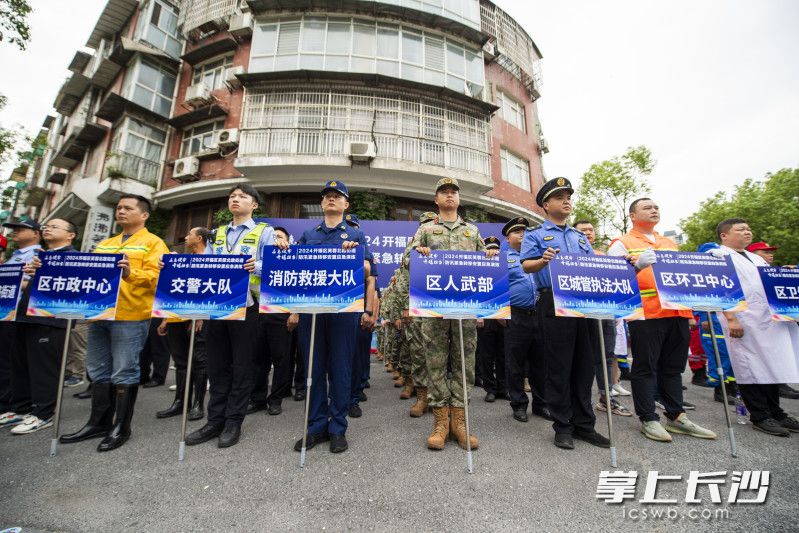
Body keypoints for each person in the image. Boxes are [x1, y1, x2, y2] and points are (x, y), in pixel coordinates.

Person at [41, 196, 170, 452]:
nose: (121, 211)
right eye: (119, 208)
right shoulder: (106, 244)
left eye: (127, 208)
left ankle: (121, 426)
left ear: (144, 215)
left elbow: (161, 278)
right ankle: (98, 422)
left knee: (124, 370)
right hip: (99, 315)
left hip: (130, 316)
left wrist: (131, 272)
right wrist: (44, 270)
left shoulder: (153, 243)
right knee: (98, 370)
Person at [185, 183, 288, 449]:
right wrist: (175, 266)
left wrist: (259, 265)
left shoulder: (264, 232)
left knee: (243, 367)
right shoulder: (217, 234)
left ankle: (233, 422)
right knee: (217, 367)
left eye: (242, 197)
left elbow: (277, 267)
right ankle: (214, 420)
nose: (235, 200)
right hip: (218, 307)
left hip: (248, 307)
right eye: (232, 196)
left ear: (254, 205)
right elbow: (204, 266)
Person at [607, 198, 716, 442]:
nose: (654, 210)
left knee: (674, 368)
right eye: (647, 207)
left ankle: (677, 416)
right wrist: (637, 267)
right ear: (633, 215)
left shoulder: (669, 243)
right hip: (647, 315)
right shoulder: (622, 243)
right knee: (645, 367)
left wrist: (689, 313)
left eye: (656, 207)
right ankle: (648, 419)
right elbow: (614, 280)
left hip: (677, 313)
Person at [521, 178, 610, 450]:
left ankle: (585, 425)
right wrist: (543, 260)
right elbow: (526, 266)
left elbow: (593, 266)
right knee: (559, 366)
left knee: (585, 366)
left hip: (583, 303)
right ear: (547, 205)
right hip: (553, 301)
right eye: (560, 197)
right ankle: (563, 426)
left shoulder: (579, 236)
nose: (566, 200)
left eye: (568, 196)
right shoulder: (535, 235)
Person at [411, 177, 496, 451]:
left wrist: (491, 259)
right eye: (444, 192)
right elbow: (407, 264)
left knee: (463, 362)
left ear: (459, 199)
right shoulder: (425, 230)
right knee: (435, 362)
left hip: (465, 310)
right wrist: (418, 254)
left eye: (453, 192)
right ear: (436, 200)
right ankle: (440, 423)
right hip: (434, 309)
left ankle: (460, 421)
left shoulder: (472, 231)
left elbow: (486, 269)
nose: (449, 196)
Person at [289, 180, 374, 454]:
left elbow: (367, 272)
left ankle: (338, 427)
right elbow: (294, 271)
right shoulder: (308, 235)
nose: (331, 199)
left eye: (337, 196)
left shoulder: (355, 236)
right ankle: (315, 427)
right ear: (322, 203)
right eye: (327, 196)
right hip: (311, 311)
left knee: (340, 369)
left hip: (343, 311)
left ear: (346, 204)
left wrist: (355, 258)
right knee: (313, 370)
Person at [711, 219, 799, 436]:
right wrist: (731, 318)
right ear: (724, 235)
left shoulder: (755, 258)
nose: (747, 232)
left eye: (748, 229)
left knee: (772, 364)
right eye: (740, 229)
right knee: (750, 366)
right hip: (744, 318)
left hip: (768, 319)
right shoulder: (719, 255)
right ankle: (760, 415)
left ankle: (776, 412)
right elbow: (721, 289)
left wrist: (782, 274)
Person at [573, 219, 632, 418]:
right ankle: (578, 402)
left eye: (591, 229)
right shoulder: (568, 256)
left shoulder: (604, 256)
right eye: (583, 230)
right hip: (579, 314)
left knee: (606, 356)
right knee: (580, 359)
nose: (588, 233)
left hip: (606, 313)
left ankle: (606, 397)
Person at [155, 227, 210, 421]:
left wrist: (202, 316)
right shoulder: (182, 260)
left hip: (199, 319)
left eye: (189, 234)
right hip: (176, 317)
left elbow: (212, 292)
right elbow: (171, 290)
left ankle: (198, 403)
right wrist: (165, 318)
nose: (185, 237)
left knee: (199, 360)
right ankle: (180, 402)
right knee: (180, 361)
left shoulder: (212, 260)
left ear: (199, 238)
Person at [501, 217, 551, 423]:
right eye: (517, 232)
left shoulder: (538, 256)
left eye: (524, 231)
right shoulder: (502, 258)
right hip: (516, 315)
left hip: (539, 314)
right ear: (508, 237)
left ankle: (541, 404)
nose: (522, 234)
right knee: (516, 363)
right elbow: (498, 287)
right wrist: (501, 313)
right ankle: (519, 404)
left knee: (541, 363)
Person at [0, 219, 43, 430]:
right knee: (8, 362)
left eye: (21, 228)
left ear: (36, 233)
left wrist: (11, 279)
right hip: (6, 312)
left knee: (10, 363)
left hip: (18, 314)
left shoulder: (37, 256)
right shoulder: (15, 256)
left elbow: (36, 284)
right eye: (14, 229)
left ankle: (13, 404)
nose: (15, 231)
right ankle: (12, 405)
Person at [396, 212, 438, 418]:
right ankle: (422, 396)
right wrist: (406, 306)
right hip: (418, 304)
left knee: (439, 354)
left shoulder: (446, 239)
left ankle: (439, 399)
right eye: (425, 223)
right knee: (419, 351)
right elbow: (404, 277)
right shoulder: (412, 246)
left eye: (432, 222)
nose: (429, 226)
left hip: (441, 304)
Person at [745, 240, 799, 399]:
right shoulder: (751, 271)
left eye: (771, 252)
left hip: (778, 321)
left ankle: (780, 384)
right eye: (765, 252)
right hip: (757, 323)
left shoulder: (773, 271)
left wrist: (788, 274)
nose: (770, 255)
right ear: (753, 255)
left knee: (780, 354)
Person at [344, 213, 377, 419]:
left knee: (355, 356)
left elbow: (371, 283)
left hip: (356, 308)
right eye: (347, 226)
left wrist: (369, 311)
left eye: (353, 227)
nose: (350, 230)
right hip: (334, 307)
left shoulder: (364, 251)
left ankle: (354, 397)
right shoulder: (328, 243)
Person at [477, 236, 508, 404]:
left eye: (495, 248)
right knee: (487, 355)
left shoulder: (504, 265)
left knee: (503, 354)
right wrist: (478, 316)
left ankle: (503, 387)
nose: (493, 251)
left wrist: (503, 315)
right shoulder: (479, 267)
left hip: (502, 315)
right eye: (490, 248)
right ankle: (490, 388)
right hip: (486, 317)